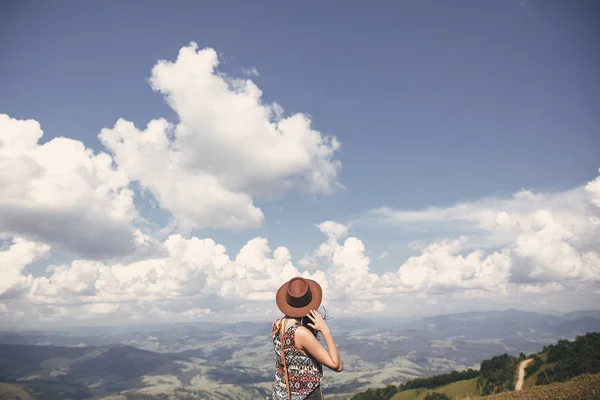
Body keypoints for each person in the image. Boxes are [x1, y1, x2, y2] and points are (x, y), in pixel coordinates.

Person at [270, 277, 343, 400]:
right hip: (306, 396)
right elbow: (337, 365)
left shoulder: (277, 324)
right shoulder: (301, 333)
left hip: (281, 395)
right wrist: (325, 330)